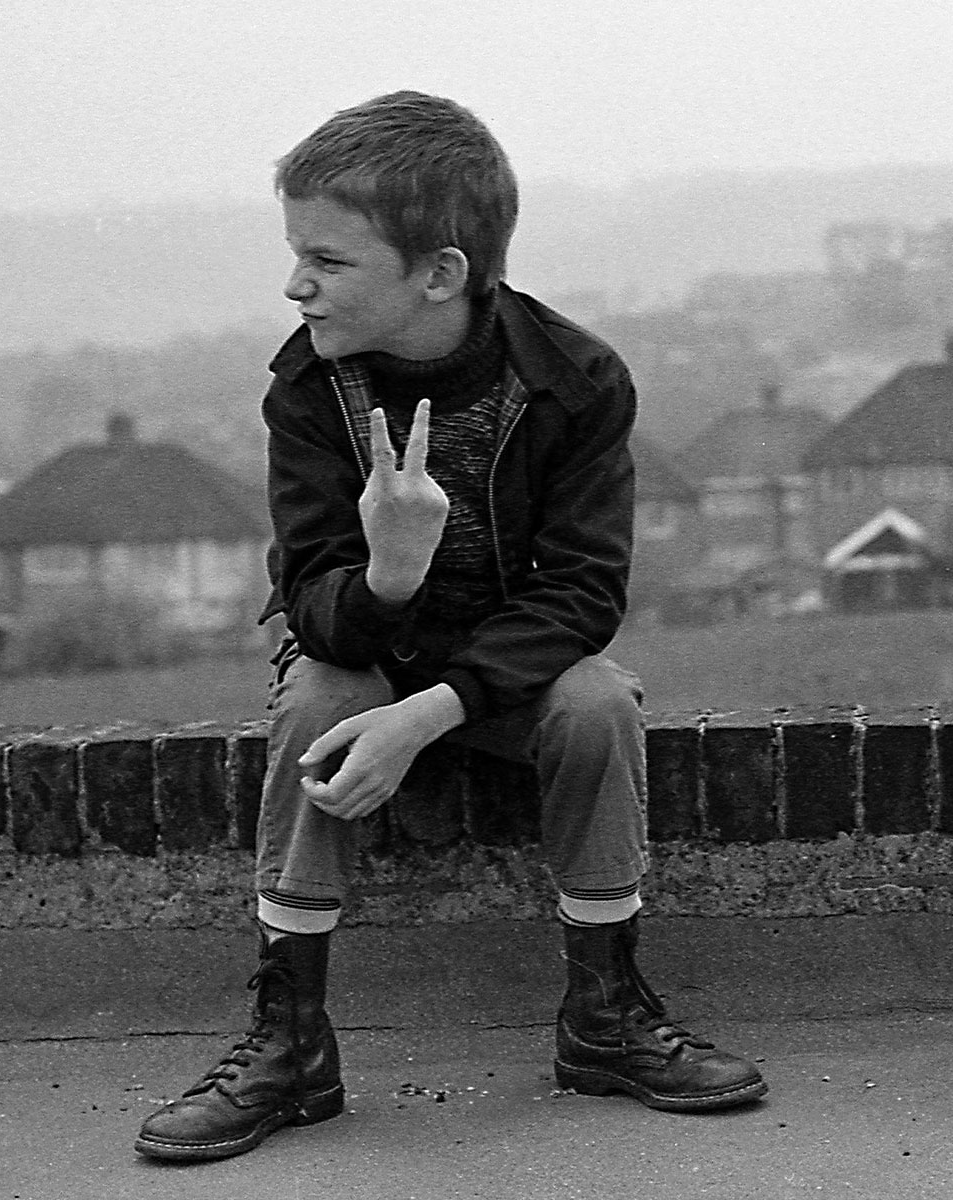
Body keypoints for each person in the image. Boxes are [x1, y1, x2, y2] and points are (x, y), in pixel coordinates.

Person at [134, 91, 765, 1163]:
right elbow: (316, 607)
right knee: (321, 701)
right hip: (366, 669)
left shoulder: (575, 382)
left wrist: (430, 713)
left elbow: (581, 599)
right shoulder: (308, 389)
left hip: (504, 683)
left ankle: (604, 1019)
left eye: (328, 261)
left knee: (599, 703)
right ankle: (291, 1041)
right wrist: (389, 576)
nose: (296, 285)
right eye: (297, 255)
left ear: (440, 272)